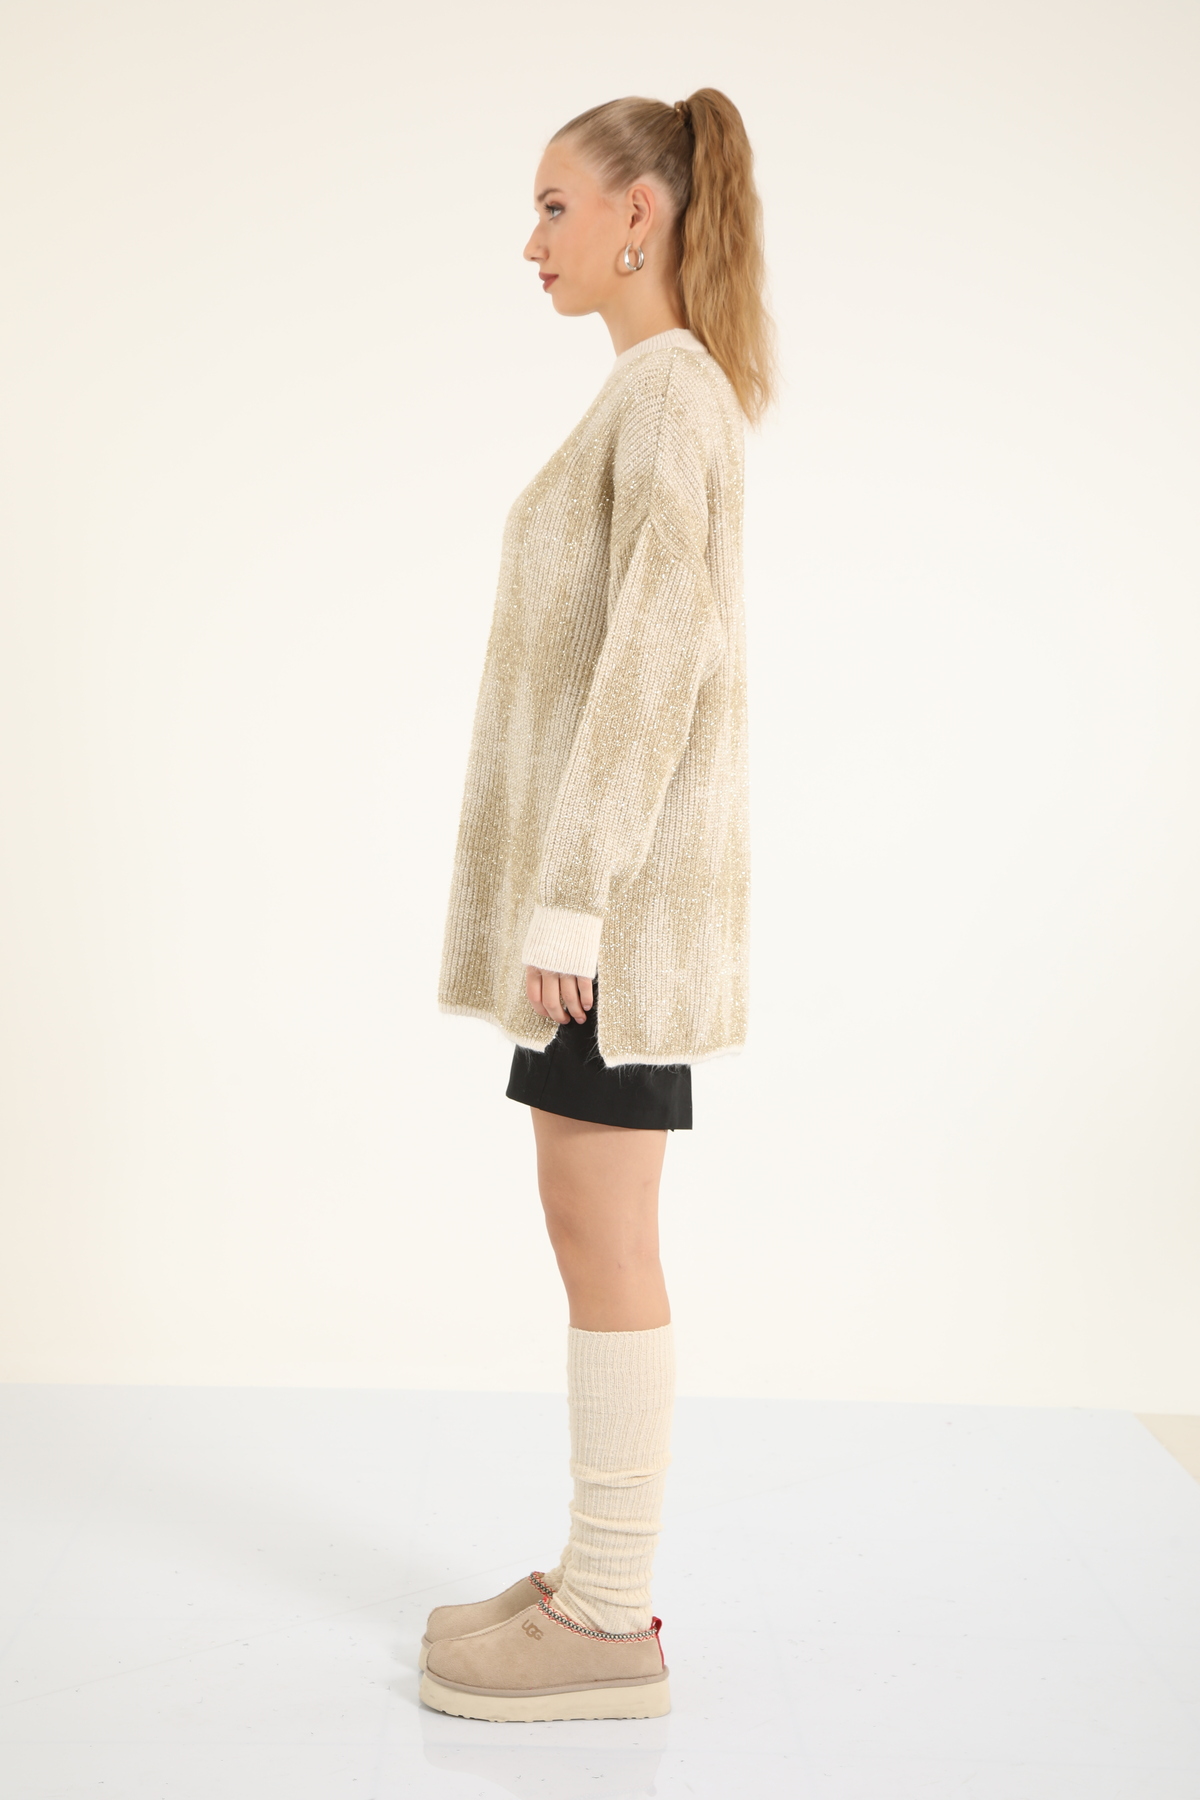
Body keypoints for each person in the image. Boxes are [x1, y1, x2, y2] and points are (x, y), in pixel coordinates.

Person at [428, 88, 774, 1723]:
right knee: (590, 1225)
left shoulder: (671, 396)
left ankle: (612, 1617)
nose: (533, 240)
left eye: (557, 206)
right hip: (602, 919)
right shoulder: (653, 396)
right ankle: (592, 1579)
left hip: (610, 931)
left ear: (642, 214)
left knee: (601, 1232)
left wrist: (572, 904)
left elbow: (655, 662)